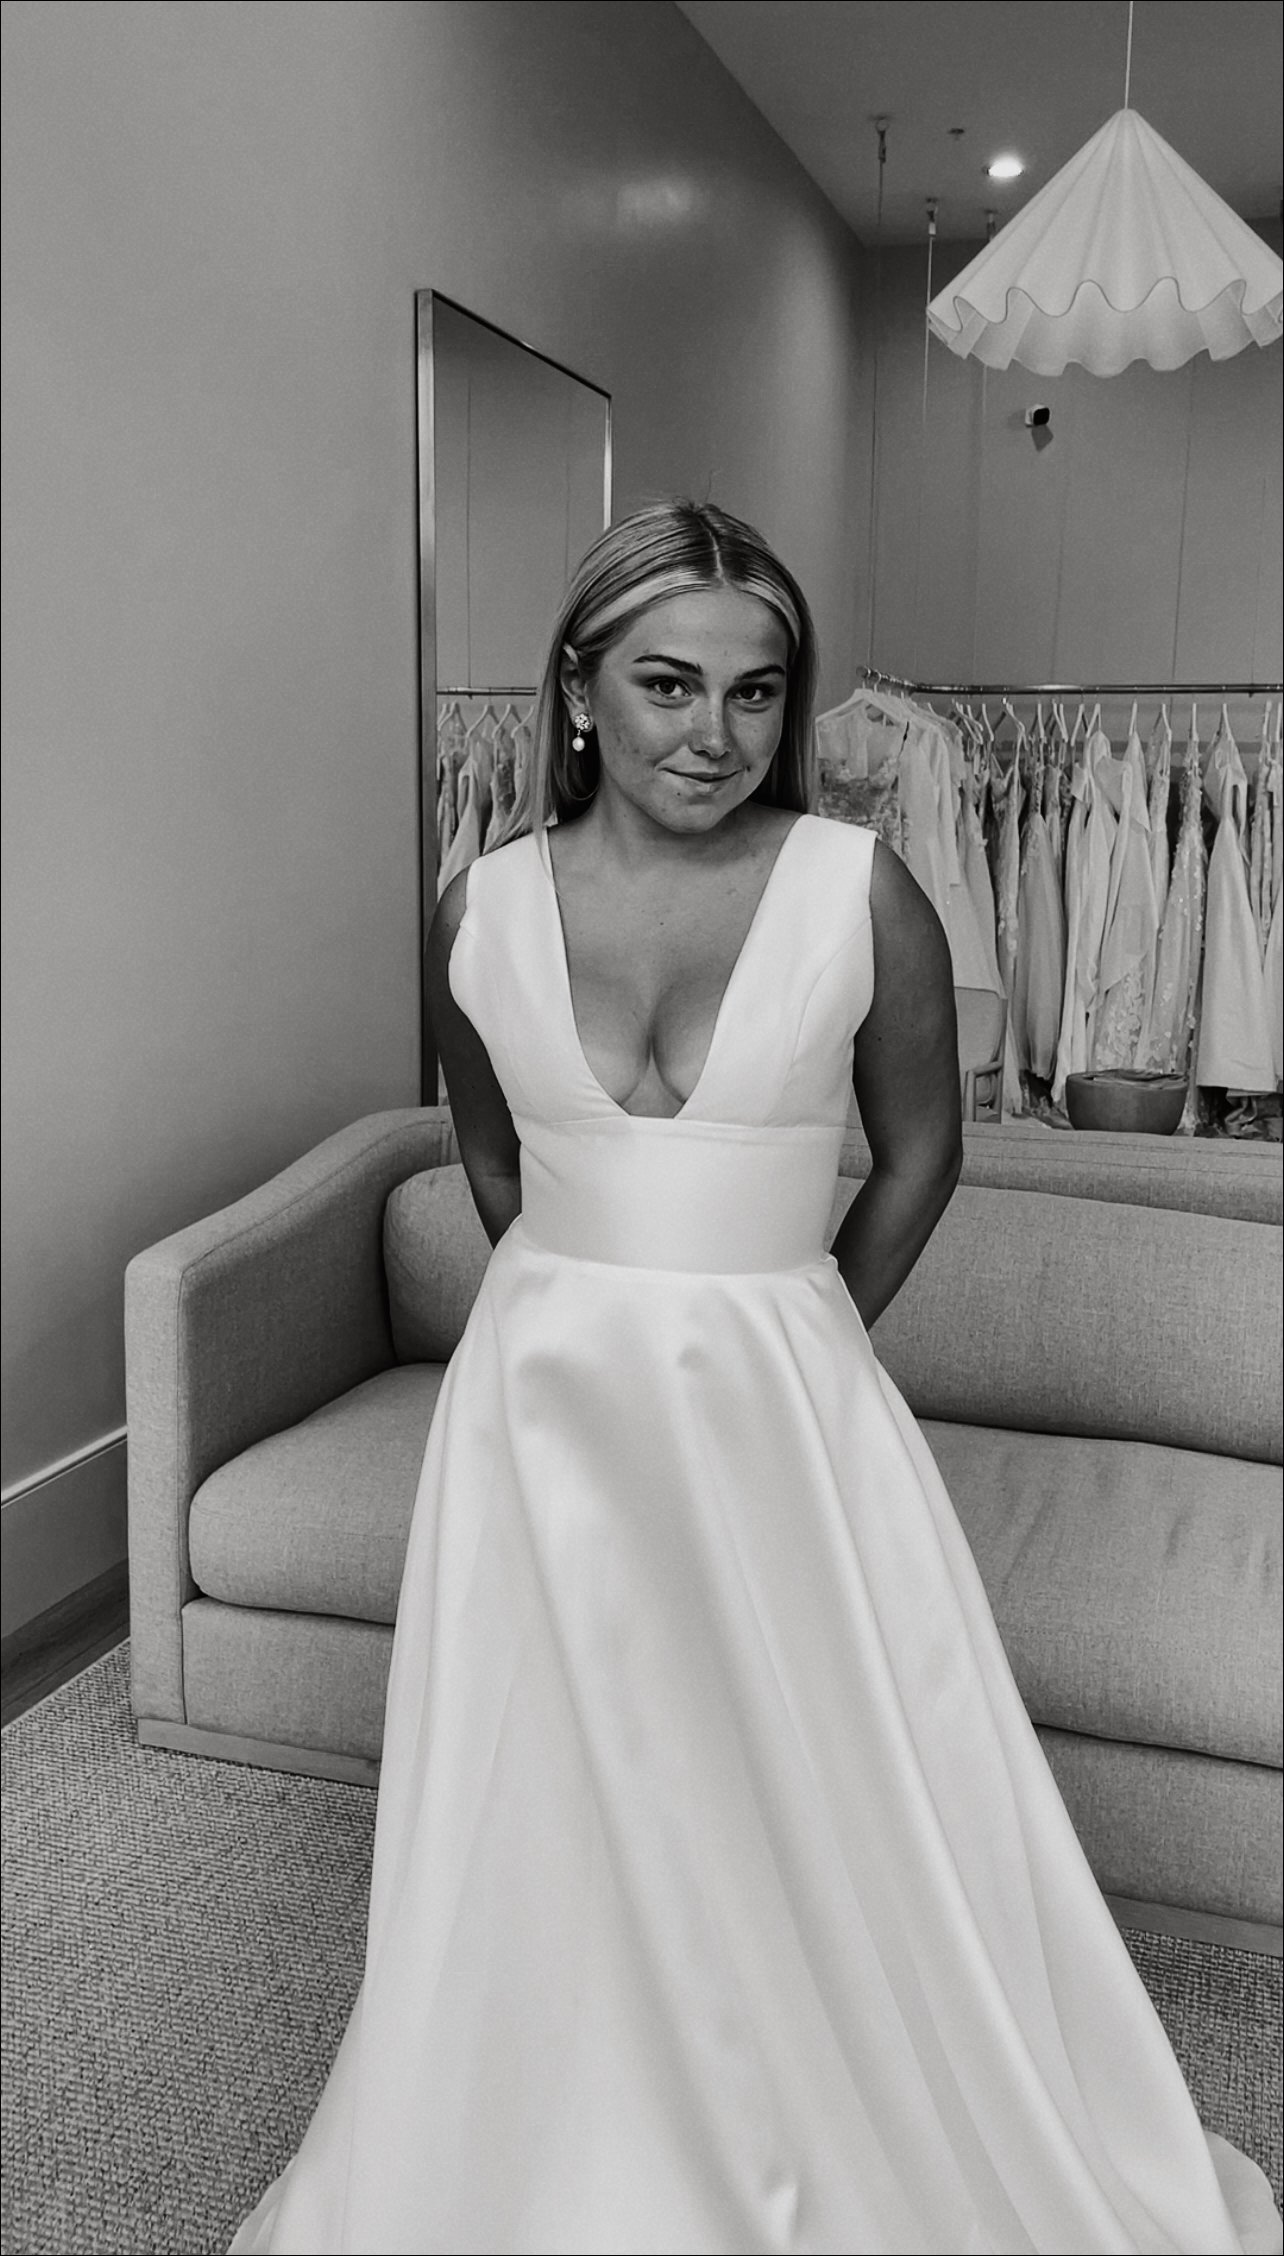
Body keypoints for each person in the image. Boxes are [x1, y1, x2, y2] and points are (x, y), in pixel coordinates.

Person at [231, 501, 1281, 2255]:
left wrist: (797, 1330)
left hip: (788, 1402)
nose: (711, 736)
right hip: (543, 1413)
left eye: (753, 691)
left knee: (818, 1780)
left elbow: (926, 1152)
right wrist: (583, 1311)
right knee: (552, 1779)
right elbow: (490, 1157)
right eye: (663, 684)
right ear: (578, 693)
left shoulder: (857, 886)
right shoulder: (475, 905)